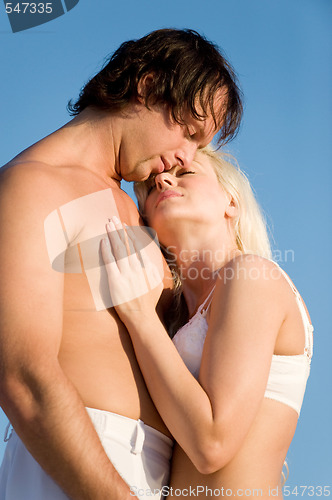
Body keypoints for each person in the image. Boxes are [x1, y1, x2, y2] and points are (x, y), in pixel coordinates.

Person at [0, 30, 243, 500]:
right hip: (70, 469)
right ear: (148, 85)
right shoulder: (32, 187)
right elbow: (23, 379)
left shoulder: (140, 209)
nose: (186, 157)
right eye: (189, 132)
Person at [101, 146, 313, 499]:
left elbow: (211, 444)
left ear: (231, 202)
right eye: (151, 187)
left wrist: (138, 316)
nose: (165, 179)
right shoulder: (173, 318)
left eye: (186, 174)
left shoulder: (252, 275)